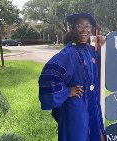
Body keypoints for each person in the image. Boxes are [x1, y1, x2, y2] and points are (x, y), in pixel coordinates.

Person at [38, 12, 106, 141]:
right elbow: (49, 74)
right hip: (76, 107)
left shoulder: (89, 50)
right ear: (73, 28)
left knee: (99, 136)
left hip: (92, 104)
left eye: (87, 26)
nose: (84, 30)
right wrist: (68, 91)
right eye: (80, 26)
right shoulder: (69, 53)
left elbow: (99, 63)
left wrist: (101, 45)